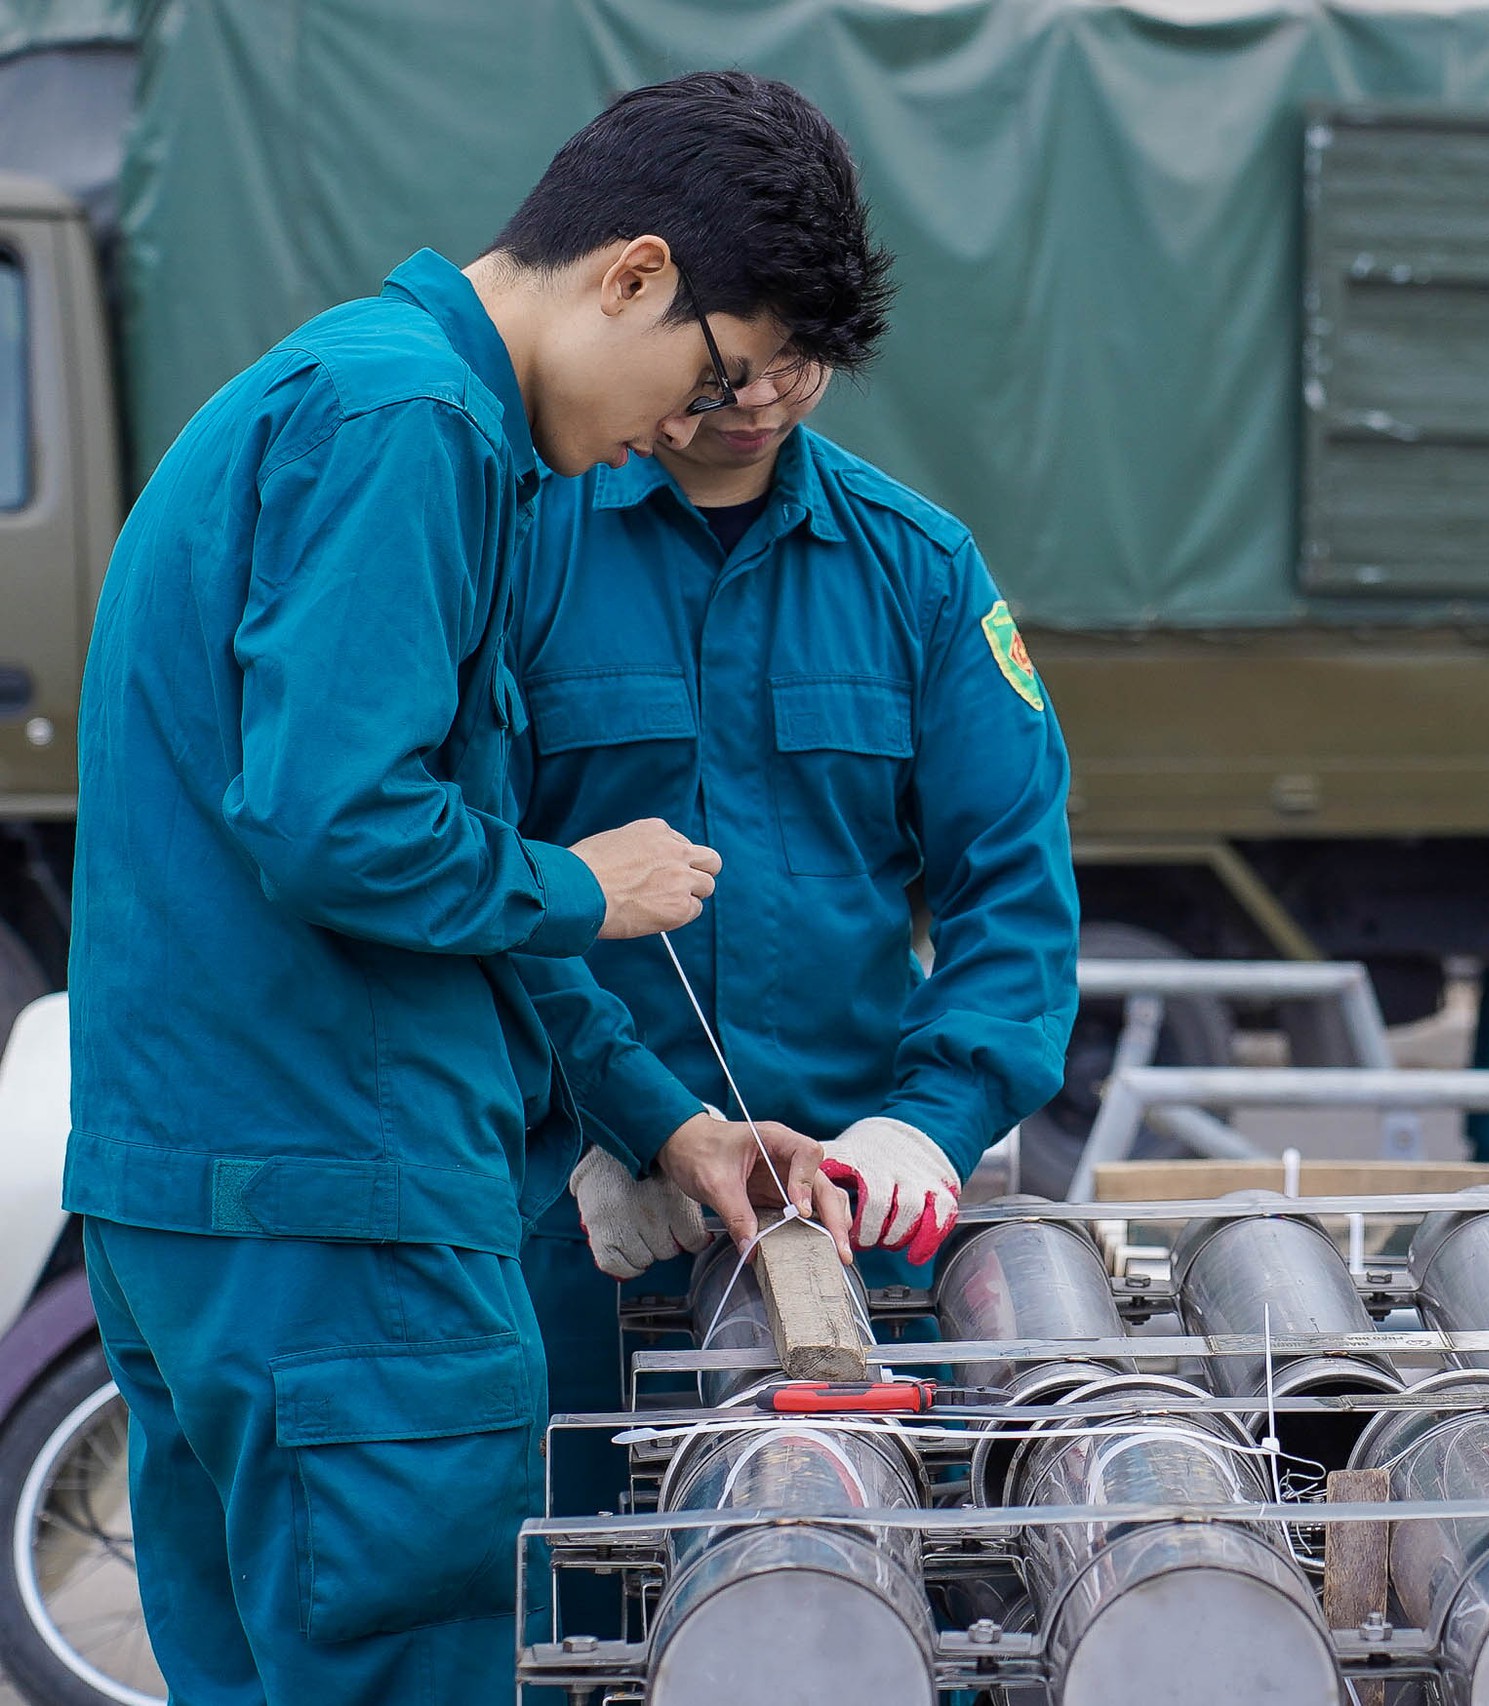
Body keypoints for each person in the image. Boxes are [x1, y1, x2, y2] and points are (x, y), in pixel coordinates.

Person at [66, 72, 884, 1703]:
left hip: (239, 1206)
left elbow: (462, 875)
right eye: (712, 379)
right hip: (340, 1216)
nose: (693, 431)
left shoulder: (395, 411)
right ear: (633, 274)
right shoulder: (410, 423)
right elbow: (338, 825)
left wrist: (670, 1121)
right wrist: (591, 883)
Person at [511, 280, 1078, 1519]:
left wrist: (930, 1123)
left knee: (854, 1591)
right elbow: (465, 875)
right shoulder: (521, 548)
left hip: (849, 1212)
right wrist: (611, 1124)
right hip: (582, 1218)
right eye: (724, 374)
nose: (759, 401)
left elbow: (1013, 892)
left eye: (798, 364)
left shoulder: (918, 568)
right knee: (569, 1594)